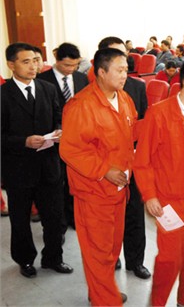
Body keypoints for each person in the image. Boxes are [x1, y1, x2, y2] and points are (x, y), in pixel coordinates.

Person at [132, 58, 184, 307]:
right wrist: (150, 195)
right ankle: (157, 303)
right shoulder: (159, 114)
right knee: (169, 258)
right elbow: (142, 160)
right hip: (169, 199)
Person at [60, 47, 138, 305]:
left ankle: (103, 291)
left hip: (118, 191)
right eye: (119, 70)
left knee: (112, 249)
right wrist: (104, 169)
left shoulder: (124, 99)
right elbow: (71, 149)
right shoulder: (82, 105)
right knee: (98, 253)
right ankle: (106, 300)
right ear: (100, 72)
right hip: (94, 191)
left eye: (126, 70)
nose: (124, 75)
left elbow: (130, 135)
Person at [2, 42, 73, 278]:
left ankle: (54, 258)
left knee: (54, 218)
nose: (33, 66)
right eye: (26, 61)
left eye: (35, 61)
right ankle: (25, 260)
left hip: (48, 166)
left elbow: (58, 117)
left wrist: (60, 130)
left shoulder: (47, 88)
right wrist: (23, 141)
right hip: (18, 169)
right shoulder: (3, 95)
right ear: (11, 65)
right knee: (20, 221)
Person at [97, 36, 150, 280]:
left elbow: (144, 122)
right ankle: (111, 258)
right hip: (106, 168)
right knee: (109, 223)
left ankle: (136, 261)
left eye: (124, 63)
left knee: (135, 216)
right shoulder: (91, 93)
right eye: (117, 64)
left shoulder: (137, 87)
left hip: (133, 162)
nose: (123, 69)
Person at [37, 42, 89, 230]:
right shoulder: (42, 80)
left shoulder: (81, 79)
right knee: (57, 183)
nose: (71, 69)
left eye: (75, 65)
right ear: (57, 61)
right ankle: (59, 223)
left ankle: (74, 217)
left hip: (79, 141)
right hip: (55, 140)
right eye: (67, 65)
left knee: (75, 182)